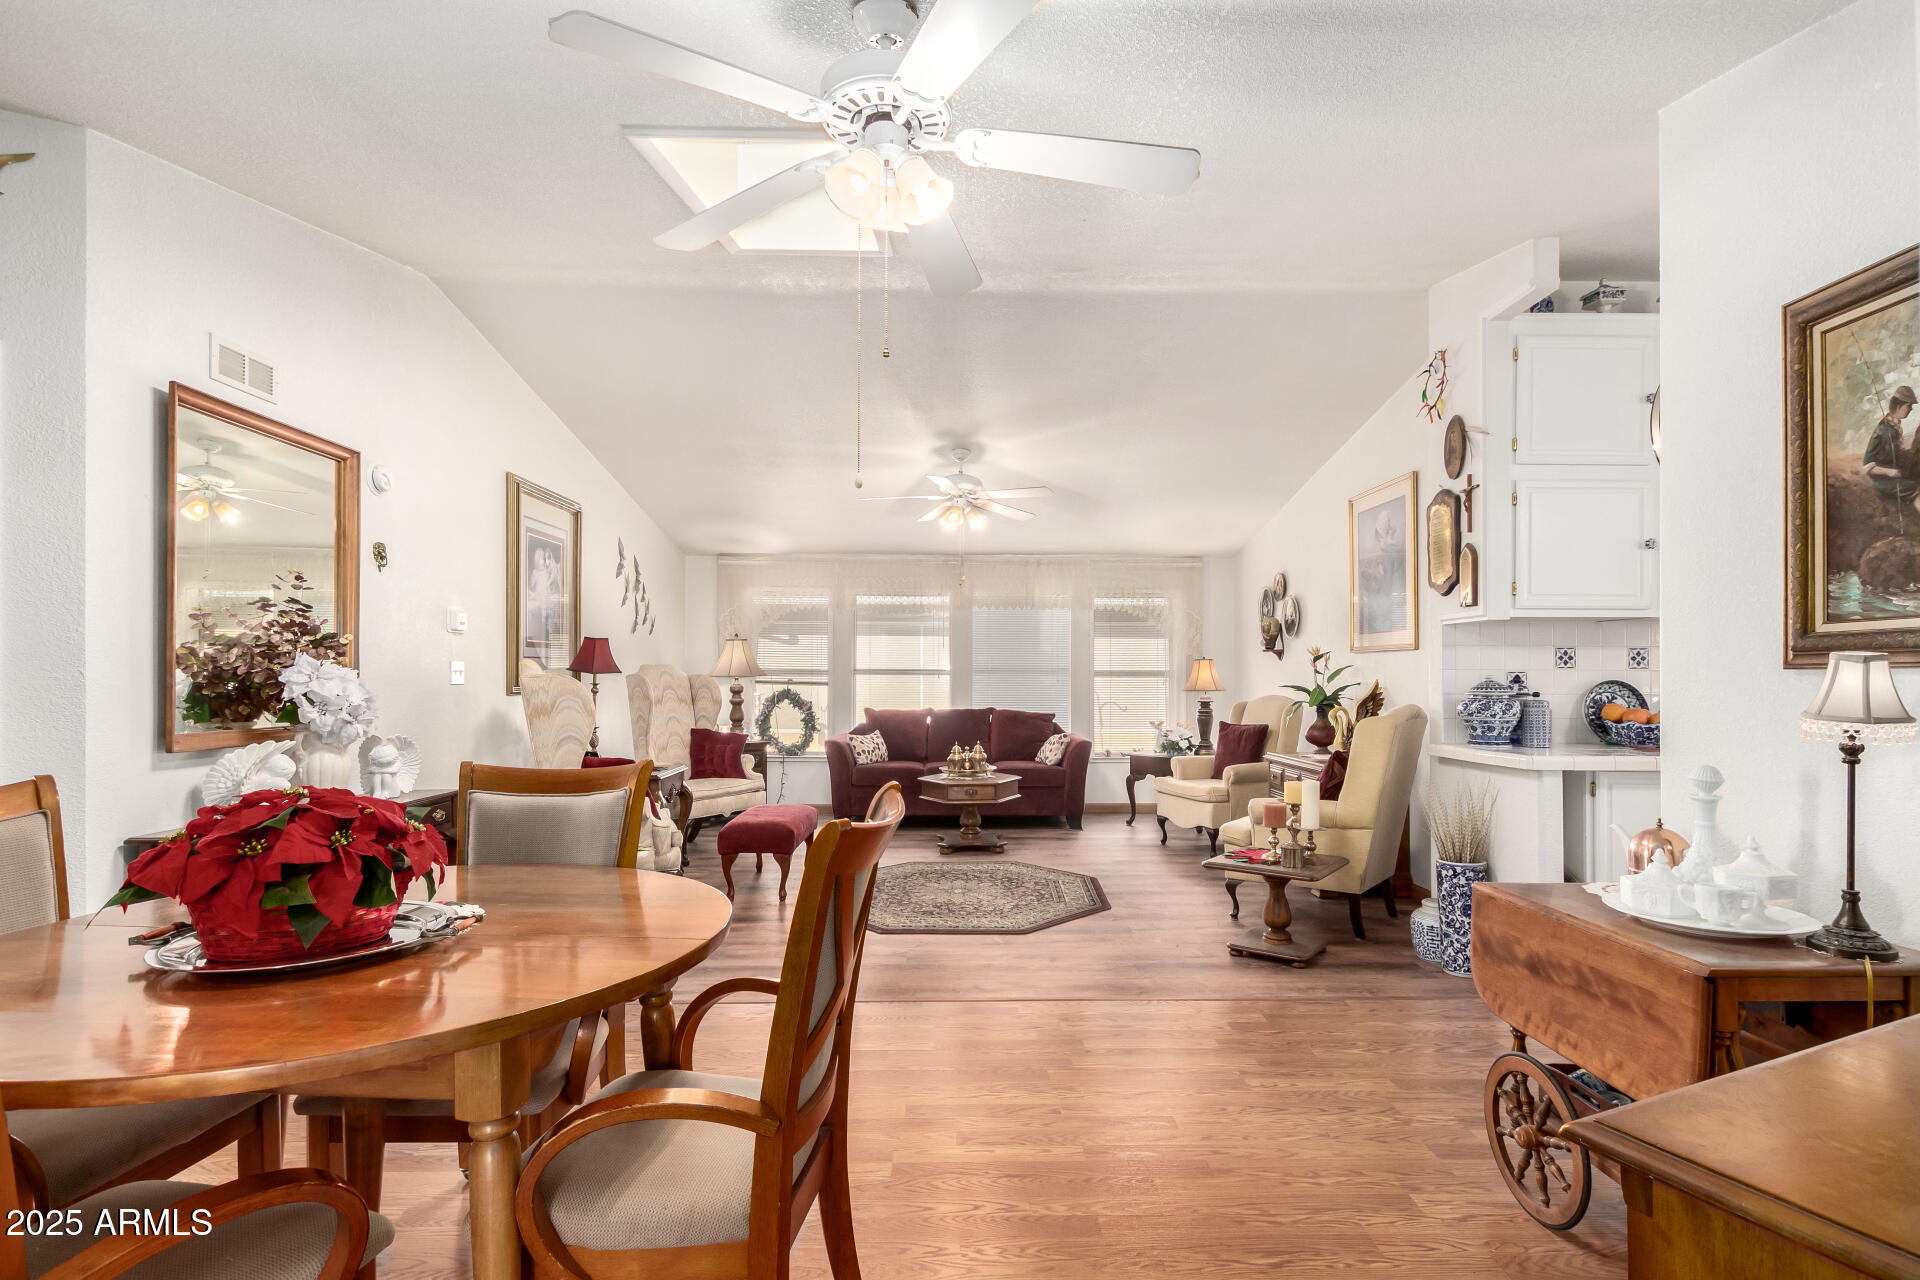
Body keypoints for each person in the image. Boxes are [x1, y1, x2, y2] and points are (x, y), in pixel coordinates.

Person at [1863, 384, 1917, 511]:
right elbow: (1866, 466)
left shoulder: (1895, 428)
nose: (1910, 409)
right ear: (1899, 406)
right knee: (1913, 486)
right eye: (1909, 406)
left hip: (1893, 475)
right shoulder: (1882, 431)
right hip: (1882, 481)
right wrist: (1889, 472)